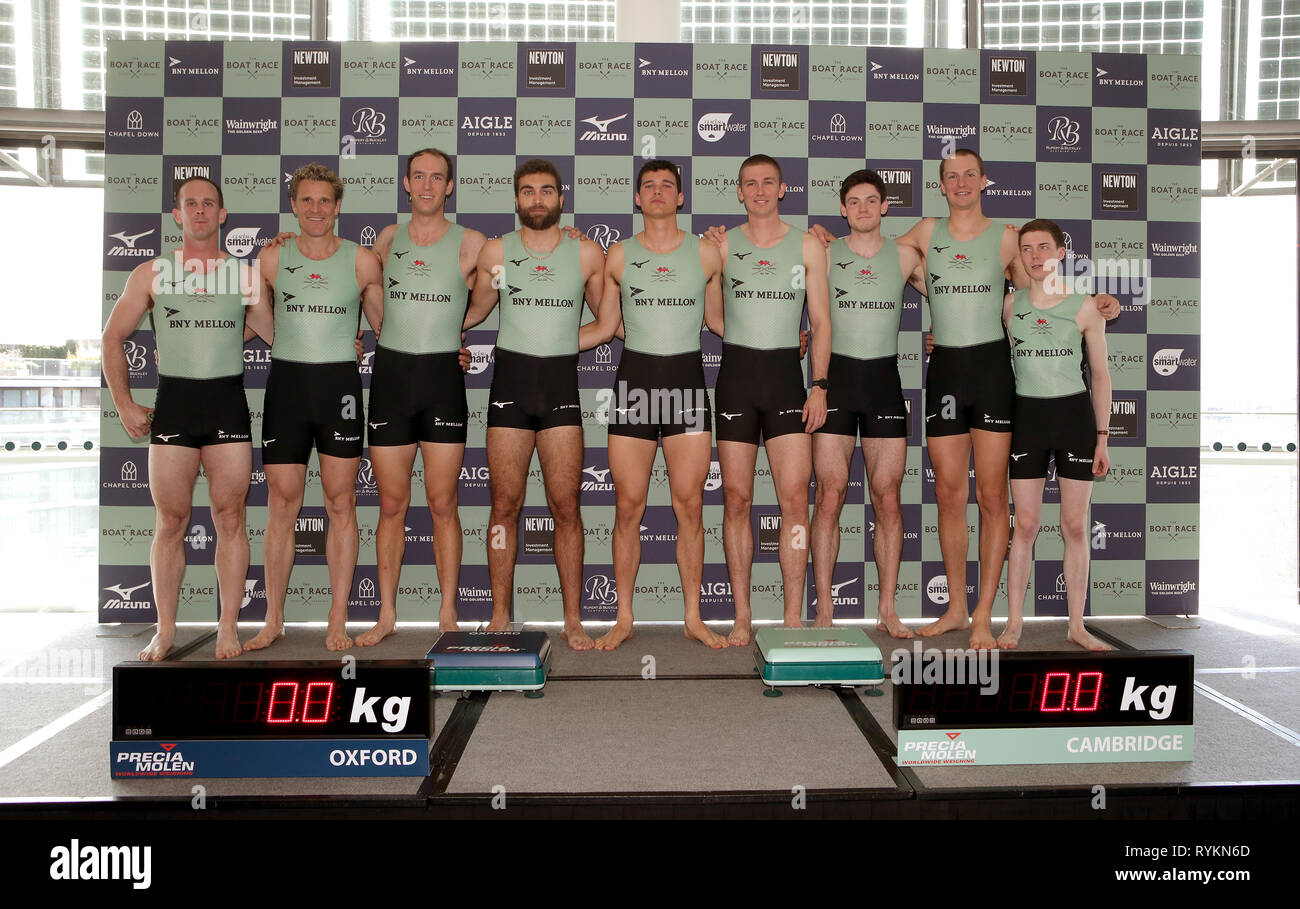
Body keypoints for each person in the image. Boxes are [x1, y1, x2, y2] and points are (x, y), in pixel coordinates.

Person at [811, 148, 1118, 649]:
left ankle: (983, 614)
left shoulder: (1007, 238)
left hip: (993, 374)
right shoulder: (925, 234)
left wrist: (1097, 302)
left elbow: (1044, 291)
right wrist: (821, 238)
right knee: (949, 495)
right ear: (941, 184)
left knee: (993, 497)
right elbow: (873, 247)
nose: (960, 183)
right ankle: (956, 607)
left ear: (984, 181)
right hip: (947, 372)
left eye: (969, 175)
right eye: (951, 176)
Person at [103, 175, 271, 660]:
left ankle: (227, 627)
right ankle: (166, 628)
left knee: (230, 518)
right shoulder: (151, 273)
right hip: (173, 404)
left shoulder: (242, 274)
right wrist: (125, 404)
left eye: (209, 204)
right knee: (171, 521)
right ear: (177, 215)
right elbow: (113, 337)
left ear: (222, 215)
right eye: (190, 203)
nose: (200, 210)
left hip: (226, 404)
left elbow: (277, 334)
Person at [577, 159, 728, 650]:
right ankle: (623, 617)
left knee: (690, 506)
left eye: (667, 185)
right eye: (649, 186)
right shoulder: (617, 256)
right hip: (636, 385)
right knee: (628, 506)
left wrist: (788, 340)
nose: (658, 192)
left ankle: (692, 616)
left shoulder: (708, 254)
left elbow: (721, 324)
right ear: (637, 199)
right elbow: (607, 325)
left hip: (685, 385)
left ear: (680, 197)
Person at [463, 159, 606, 650]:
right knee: (503, 506)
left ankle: (573, 620)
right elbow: (474, 310)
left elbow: (608, 323)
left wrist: (562, 341)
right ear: (517, 200)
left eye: (547, 191)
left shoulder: (587, 253)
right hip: (509, 391)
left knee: (567, 508)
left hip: (561, 393)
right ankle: (500, 614)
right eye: (528, 192)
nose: (538, 199)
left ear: (561, 199)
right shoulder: (496, 251)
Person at [244, 163, 383, 652]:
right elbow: (247, 321)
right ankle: (273, 618)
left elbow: (388, 327)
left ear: (338, 206)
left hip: (339, 389)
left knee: (341, 503)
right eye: (307, 200)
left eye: (325, 200)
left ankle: (337, 618)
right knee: (281, 504)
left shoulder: (362, 261)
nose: (316, 209)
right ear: (294, 205)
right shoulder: (270, 259)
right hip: (287, 385)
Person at [359, 149, 487, 643]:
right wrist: (382, 333)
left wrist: (456, 330)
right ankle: (387, 614)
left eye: (438, 177)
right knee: (391, 504)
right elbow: (368, 293)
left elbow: (492, 292)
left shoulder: (472, 242)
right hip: (392, 376)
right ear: (407, 184)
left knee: (442, 502)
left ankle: (448, 614)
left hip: (442, 380)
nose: (428, 185)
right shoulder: (387, 239)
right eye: (419, 176)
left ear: (449, 186)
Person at [707, 154, 831, 644]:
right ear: (739, 192)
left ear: (783, 190)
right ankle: (741, 616)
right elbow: (713, 318)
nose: (759, 191)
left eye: (768, 183)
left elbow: (820, 323)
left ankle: (793, 615)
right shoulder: (720, 246)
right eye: (749, 184)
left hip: (786, 381)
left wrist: (818, 384)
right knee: (736, 499)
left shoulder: (806, 245)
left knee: (795, 503)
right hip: (737, 378)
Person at [810, 169, 918, 638]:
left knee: (888, 499)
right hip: (837, 382)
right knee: (829, 495)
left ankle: (888, 609)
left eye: (871, 201)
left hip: (884, 383)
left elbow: (960, 296)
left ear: (885, 206)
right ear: (842, 208)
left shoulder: (908, 254)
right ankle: (825, 609)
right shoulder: (824, 253)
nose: (863, 209)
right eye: (853, 201)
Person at [999, 220, 1112, 651]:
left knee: (1073, 526)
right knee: (1025, 524)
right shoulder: (1009, 306)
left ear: (1061, 252)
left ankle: (1077, 625)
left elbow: (1100, 376)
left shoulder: (1085, 307)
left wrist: (1101, 438)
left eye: (1043, 247)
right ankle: (1012, 623)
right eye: (1026, 248)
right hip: (1027, 417)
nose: (1034, 255)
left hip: (1073, 419)